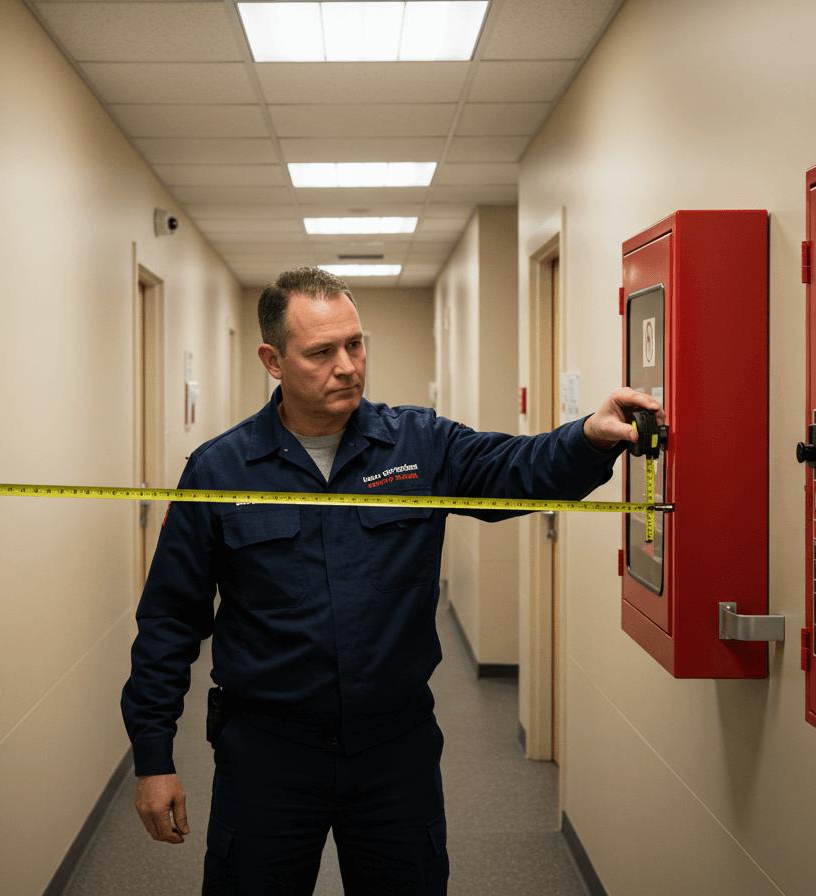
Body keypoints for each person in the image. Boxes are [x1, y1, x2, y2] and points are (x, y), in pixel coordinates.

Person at [121, 267, 663, 895]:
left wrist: (588, 438)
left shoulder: (417, 444)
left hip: (393, 752)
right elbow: (169, 620)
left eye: (355, 344)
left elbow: (517, 468)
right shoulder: (220, 468)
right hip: (266, 754)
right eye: (321, 352)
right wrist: (154, 757)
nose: (347, 366)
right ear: (273, 359)